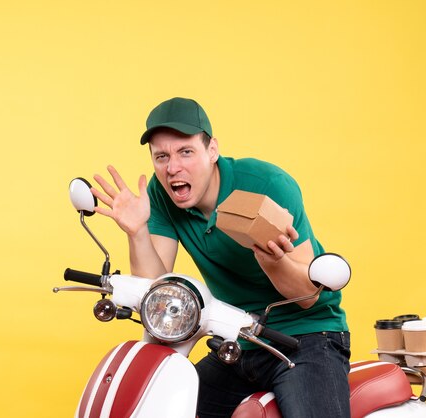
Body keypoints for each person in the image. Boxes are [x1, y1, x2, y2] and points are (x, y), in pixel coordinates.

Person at [91, 97, 350, 418]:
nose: (173, 168)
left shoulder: (266, 185)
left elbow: (307, 298)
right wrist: (137, 232)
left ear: (212, 150)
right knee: (165, 405)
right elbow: (156, 287)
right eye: (162, 156)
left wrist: (272, 262)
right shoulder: (161, 194)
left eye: (186, 152)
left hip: (307, 337)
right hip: (238, 339)